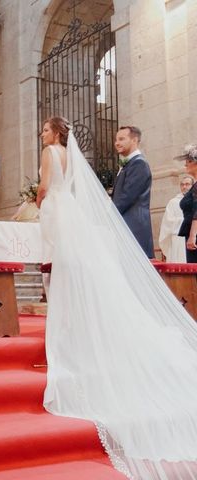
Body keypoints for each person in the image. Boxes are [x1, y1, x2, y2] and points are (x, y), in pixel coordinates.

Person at [38, 116, 197, 479]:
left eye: (121, 137)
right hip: (87, 219)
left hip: (129, 229)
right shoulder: (77, 157)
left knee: (121, 285)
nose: (116, 142)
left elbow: (119, 200)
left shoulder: (137, 166)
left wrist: (96, 216)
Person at [112, 125, 154, 258]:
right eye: (116, 139)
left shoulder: (139, 164)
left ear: (134, 140)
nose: (117, 143)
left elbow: (127, 197)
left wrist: (107, 214)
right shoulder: (129, 164)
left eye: (121, 139)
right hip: (125, 224)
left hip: (134, 226)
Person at [160, 174, 193, 262]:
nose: (184, 187)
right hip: (178, 239)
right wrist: (185, 221)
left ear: (192, 186)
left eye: (187, 184)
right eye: (182, 184)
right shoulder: (173, 202)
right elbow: (168, 222)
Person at [178, 144, 197, 263]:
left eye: (189, 161)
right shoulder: (194, 186)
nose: (185, 164)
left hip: (194, 234)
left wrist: (193, 235)